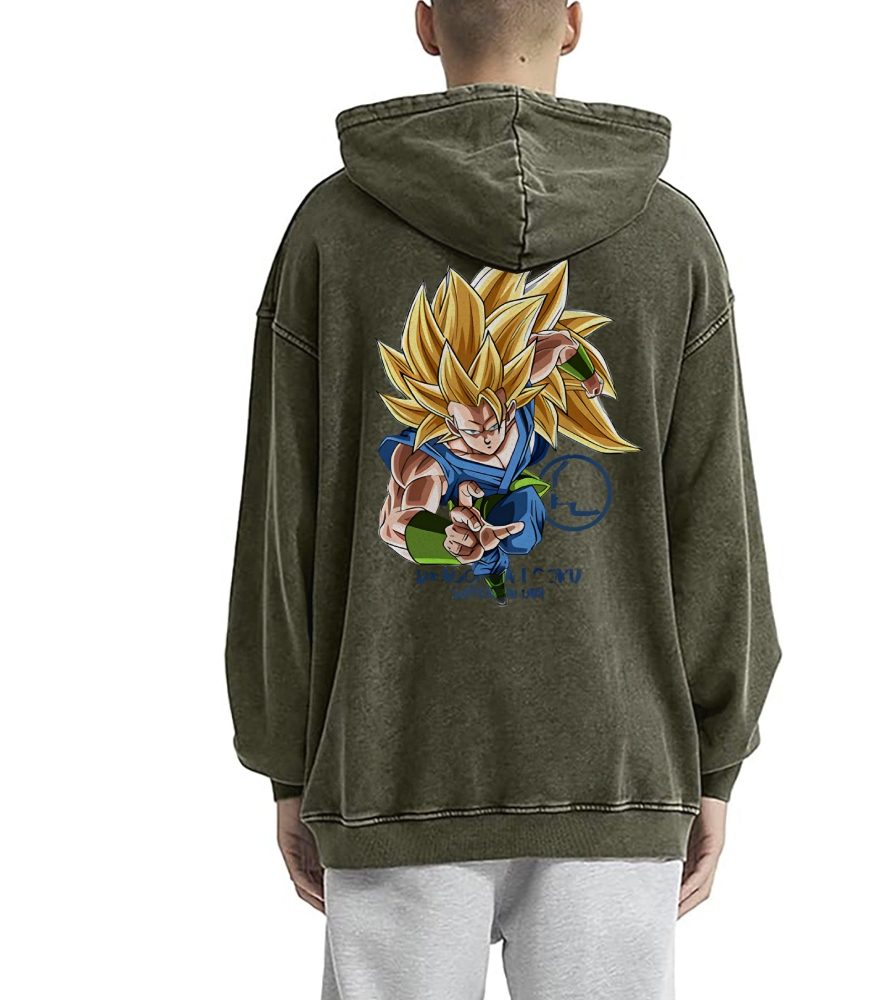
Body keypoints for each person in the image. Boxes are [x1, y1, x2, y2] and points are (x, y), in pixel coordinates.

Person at [224, 2, 782, 997]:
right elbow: (717, 527)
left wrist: (288, 761)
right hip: (618, 767)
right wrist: (713, 760)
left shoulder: (331, 233)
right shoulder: (672, 239)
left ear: (424, 22)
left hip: (389, 764)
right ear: (572, 20)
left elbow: (281, 522)